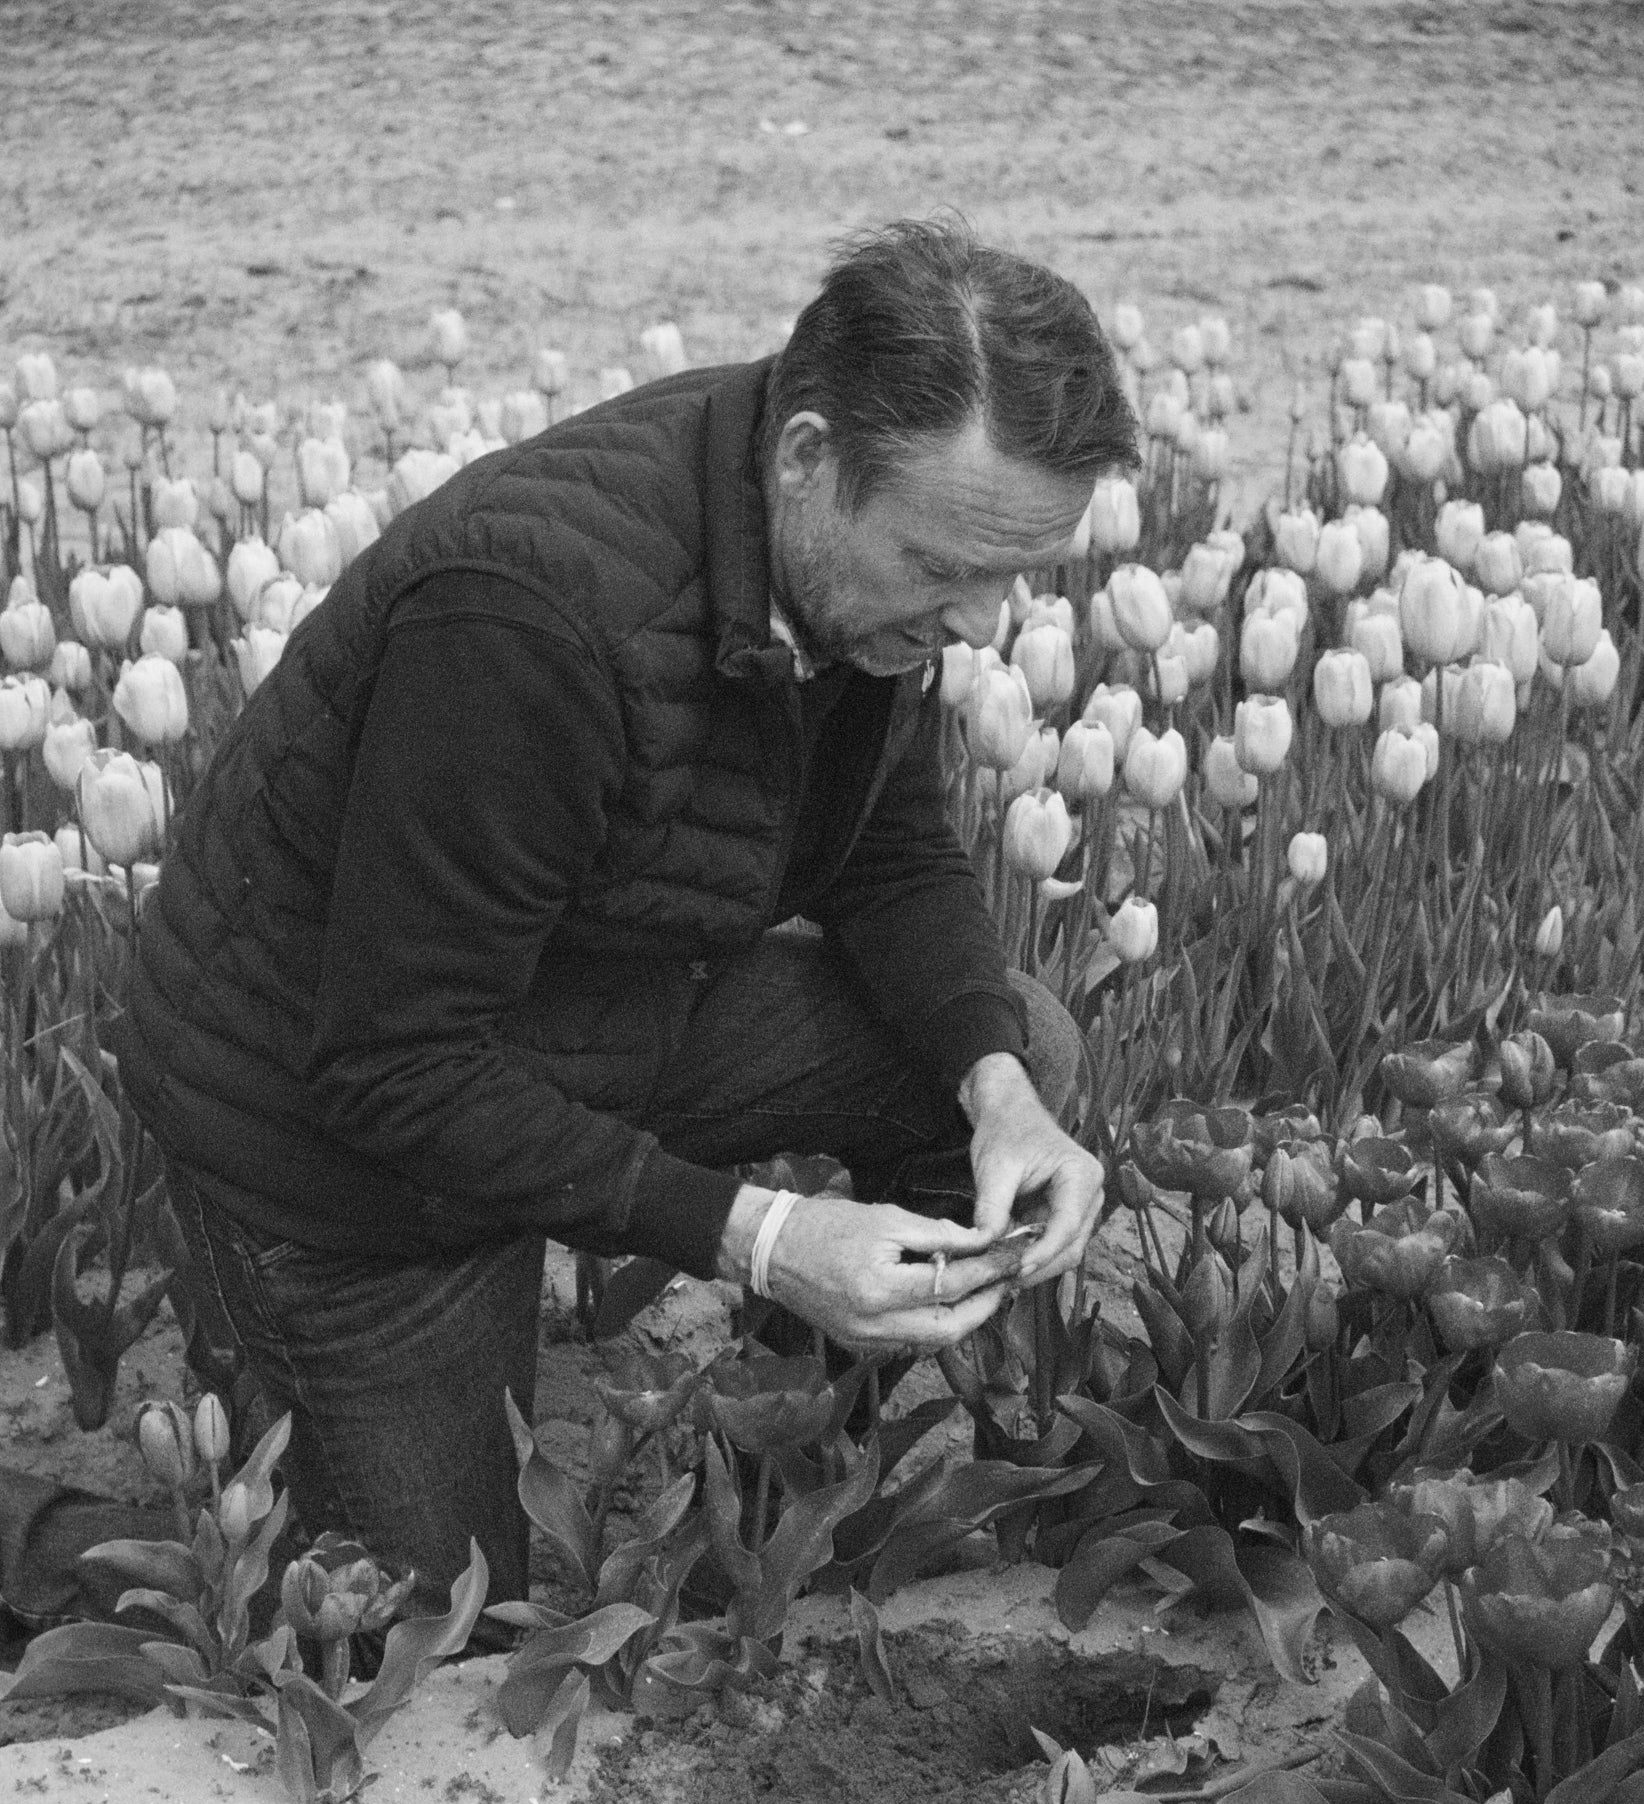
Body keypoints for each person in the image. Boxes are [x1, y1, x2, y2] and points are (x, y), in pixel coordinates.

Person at [120, 216, 1138, 1606]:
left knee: (1012, 1041)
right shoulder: (527, 622)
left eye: (1016, 571)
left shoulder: (845, 552)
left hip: (591, 1008)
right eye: (947, 567)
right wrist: (765, 1237)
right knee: (415, 1615)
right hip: (329, 1140)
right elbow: (392, 1066)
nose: (978, 621)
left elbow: (882, 851)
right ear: (805, 460)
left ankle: (776, 1491)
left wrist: (998, 1088)